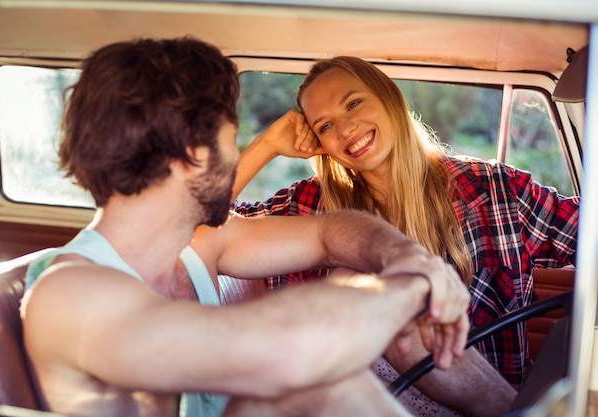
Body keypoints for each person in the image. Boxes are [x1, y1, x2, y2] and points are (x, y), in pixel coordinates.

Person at [20, 38, 472, 417]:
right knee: (309, 383)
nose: (236, 159)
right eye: (229, 140)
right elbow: (287, 356)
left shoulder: (203, 243)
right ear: (190, 154)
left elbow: (327, 232)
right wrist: (417, 285)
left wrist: (405, 256)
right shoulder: (71, 294)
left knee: (325, 389)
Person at [232, 56, 579, 413]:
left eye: (353, 103)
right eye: (324, 126)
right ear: (320, 144)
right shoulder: (314, 204)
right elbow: (209, 227)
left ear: (389, 96)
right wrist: (266, 146)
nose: (346, 127)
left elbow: (585, 232)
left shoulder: (493, 189)